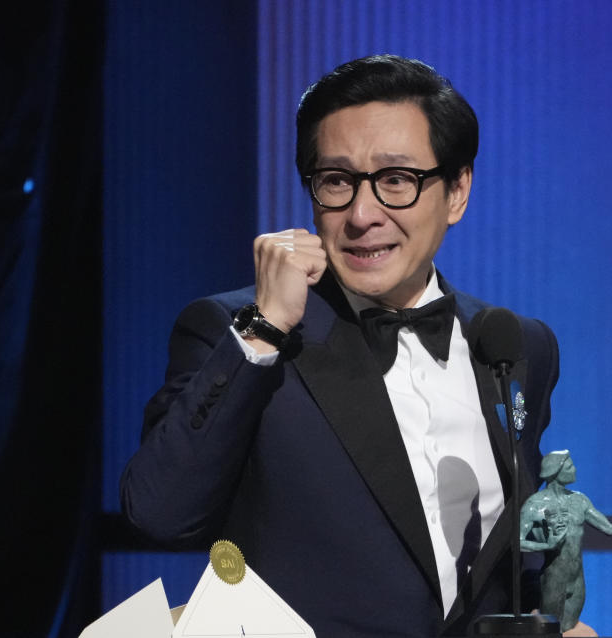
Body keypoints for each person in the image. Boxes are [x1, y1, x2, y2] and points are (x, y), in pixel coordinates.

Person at [120, 54, 560, 638]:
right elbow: (159, 514)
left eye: (396, 180)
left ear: (457, 191)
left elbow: (511, 552)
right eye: (336, 181)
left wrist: (544, 623)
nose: (361, 214)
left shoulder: (516, 344)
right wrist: (263, 332)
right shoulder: (237, 331)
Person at [519, 450, 612, 633]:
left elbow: (609, 528)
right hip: (554, 579)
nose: (575, 469)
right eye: (570, 466)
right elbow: (519, 541)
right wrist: (547, 546)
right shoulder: (535, 504)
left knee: (570, 629)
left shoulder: (580, 501)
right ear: (555, 471)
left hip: (577, 580)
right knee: (552, 631)